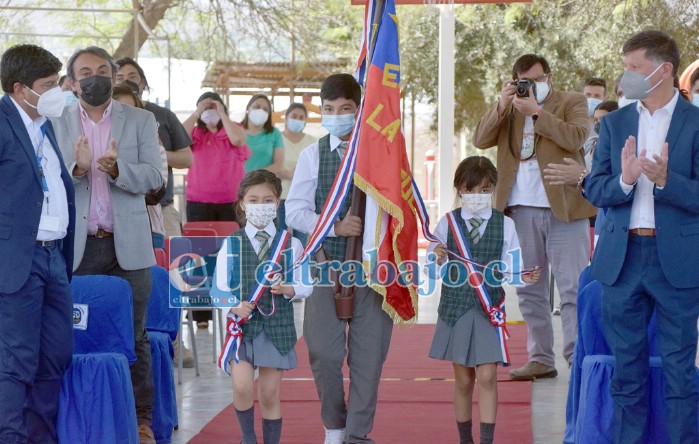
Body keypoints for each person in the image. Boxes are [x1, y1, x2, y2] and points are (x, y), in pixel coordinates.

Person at [585, 30, 699, 444]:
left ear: (664, 70)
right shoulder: (615, 124)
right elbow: (594, 189)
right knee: (627, 374)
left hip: (678, 265)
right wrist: (624, 180)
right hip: (623, 260)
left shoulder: (695, 123)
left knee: (680, 375)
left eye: (634, 68)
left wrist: (670, 181)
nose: (625, 77)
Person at [52, 46, 163, 444]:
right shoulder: (55, 120)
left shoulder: (141, 120)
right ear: (71, 82)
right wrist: (77, 169)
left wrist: (120, 170)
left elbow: (154, 175)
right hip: (75, 248)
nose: (94, 77)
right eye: (85, 71)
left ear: (115, 77)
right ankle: (77, 414)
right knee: (73, 331)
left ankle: (140, 419)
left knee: (133, 334)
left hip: (127, 245)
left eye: (102, 70)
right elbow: (45, 180)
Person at [472, 54, 596, 381]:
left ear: (550, 77)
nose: (533, 86)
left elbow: (576, 137)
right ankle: (541, 358)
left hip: (566, 210)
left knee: (572, 290)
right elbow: (480, 139)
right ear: (514, 82)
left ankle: (576, 358)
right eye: (525, 81)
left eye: (539, 79)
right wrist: (502, 105)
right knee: (529, 290)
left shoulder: (572, 101)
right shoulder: (510, 108)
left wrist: (538, 113)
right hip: (519, 211)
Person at [286, 73, 394, 444]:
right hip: (325, 265)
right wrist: (334, 226)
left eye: (345, 109)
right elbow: (295, 212)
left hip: (374, 270)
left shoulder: (382, 153)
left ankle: (357, 434)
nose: (337, 116)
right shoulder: (312, 154)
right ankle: (334, 426)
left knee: (369, 359)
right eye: (329, 110)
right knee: (323, 351)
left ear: (359, 109)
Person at [427, 156, 540, 444]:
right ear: (458, 189)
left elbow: (512, 265)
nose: (477, 196)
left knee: (488, 376)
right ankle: (466, 439)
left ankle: (487, 440)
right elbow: (431, 262)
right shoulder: (448, 222)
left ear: (493, 190)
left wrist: (523, 277)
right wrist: (436, 255)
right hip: (456, 309)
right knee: (464, 380)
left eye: (485, 190)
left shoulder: (505, 225)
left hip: (489, 307)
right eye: (470, 189)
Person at [0, 43, 75, 444]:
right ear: (19, 88)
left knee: (54, 357)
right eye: (48, 85)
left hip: (53, 258)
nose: (56, 92)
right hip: (17, 261)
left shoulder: (43, 128)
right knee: (16, 363)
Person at [210, 170, 311, 444]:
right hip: (242, 329)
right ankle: (247, 438)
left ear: (278, 203)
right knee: (241, 385)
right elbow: (217, 291)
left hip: (277, 328)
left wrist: (290, 289)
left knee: (269, 393)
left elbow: (306, 283)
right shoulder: (231, 243)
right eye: (254, 199)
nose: (261, 206)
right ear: (242, 203)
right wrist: (233, 305)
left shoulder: (292, 243)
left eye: (268, 200)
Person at [115, 57, 192, 237]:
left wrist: (155, 151)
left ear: (143, 82)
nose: (127, 80)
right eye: (120, 77)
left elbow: (188, 159)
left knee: (171, 261)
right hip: (120, 213)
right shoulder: (103, 122)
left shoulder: (163, 115)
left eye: (132, 76)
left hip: (161, 210)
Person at [112, 83, 169, 249]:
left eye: (133, 111)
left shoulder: (156, 149)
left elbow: (154, 190)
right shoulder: (93, 146)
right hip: (106, 233)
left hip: (149, 230)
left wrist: (116, 173)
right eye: (121, 110)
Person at [182, 91, 250, 223]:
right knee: (201, 243)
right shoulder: (196, 133)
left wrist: (222, 113)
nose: (208, 111)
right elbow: (179, 135)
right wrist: (197, 113)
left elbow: (238, 140)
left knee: (232, 242)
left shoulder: (234, 128)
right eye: (204, 108)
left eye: (212, 107)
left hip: (232, 201)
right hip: (198, 202)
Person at [280, 102, 317, 236]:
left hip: (304, 200)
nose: (297, 120)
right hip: (280, 197)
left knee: (301, 242)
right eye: (294, 116)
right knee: (280, 240)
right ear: (286, 117)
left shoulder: (313, 143)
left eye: (301, 117)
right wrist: (287, 173)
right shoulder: (275, 139)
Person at [242, 93, 288, 179]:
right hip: (235, 186)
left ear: (269, 115)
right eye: (257, 107)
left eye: (265, 109)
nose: (260, 111)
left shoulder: (274, 133)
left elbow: (278, 165)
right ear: (248, 109)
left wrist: (253, 177)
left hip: (264, 184)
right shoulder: (236, 130)